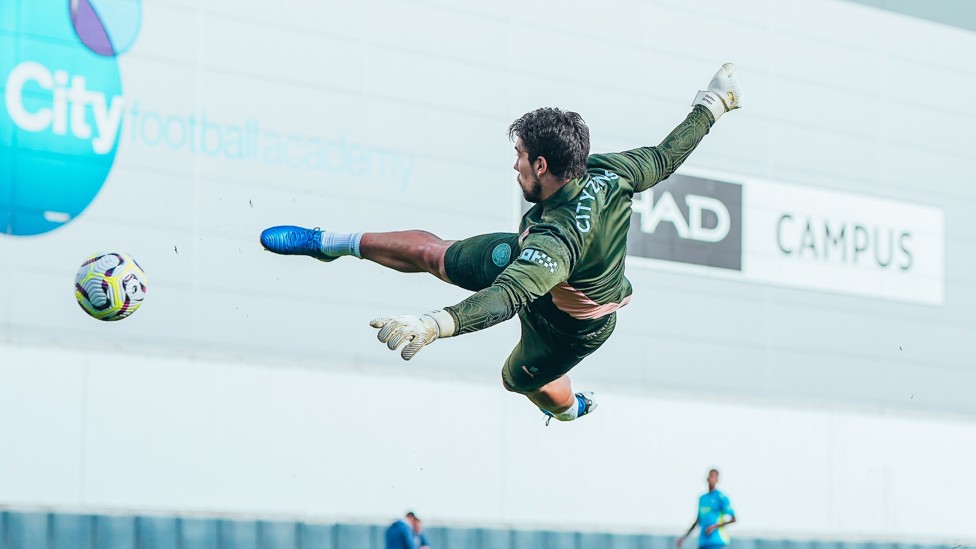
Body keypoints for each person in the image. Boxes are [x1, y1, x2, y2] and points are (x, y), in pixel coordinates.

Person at [261, 64, 742, 422]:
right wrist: (712, 104)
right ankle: (329, 242)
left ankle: (573, 408)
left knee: (519, 380)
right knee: (436, 254)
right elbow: (665, 154)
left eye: (519, 156)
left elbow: (509, 296)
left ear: (542, 167)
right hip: (535, 264)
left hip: (567, 328)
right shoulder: (608, 170)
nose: (514, 165)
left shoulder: (559, 237)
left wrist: (436, 324)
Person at [676, 469, 737, 549]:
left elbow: (733, 519)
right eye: (710, 476)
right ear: (707, 478)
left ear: (717, 480)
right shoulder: (702, 498)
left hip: (716, 542)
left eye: (713, 477)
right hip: (703, 542)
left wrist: (714, 526)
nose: (711, 479)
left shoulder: (721, 497)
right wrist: (684, 537)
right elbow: (697, 521)